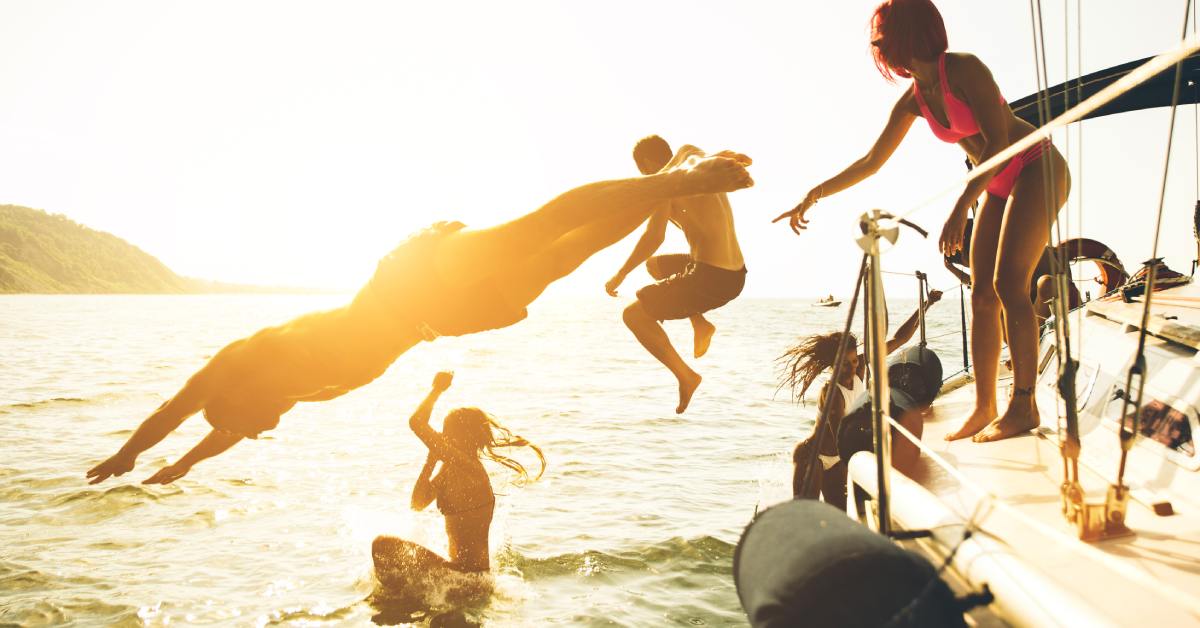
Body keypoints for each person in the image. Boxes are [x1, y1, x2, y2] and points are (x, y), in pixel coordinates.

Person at [86, 151, 753, 485]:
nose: (260, 435)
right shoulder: (281, 397)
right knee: (568, 254)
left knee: (541, 228)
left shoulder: (253, 358)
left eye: (249, 426)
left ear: (241, 399)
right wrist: (182, 470)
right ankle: (673, 172)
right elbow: (224, 431)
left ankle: (675, 183)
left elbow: (185, 404)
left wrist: (130, 452)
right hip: (444, 316)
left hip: (412, 281)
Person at [774, 0, 1071, 443]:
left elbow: (1000, 142)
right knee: (982, 295)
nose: (880, 50)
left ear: (902, 37)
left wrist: (960, 205)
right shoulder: (915, 100)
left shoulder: (965, 70)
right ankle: (985, 405)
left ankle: (1024, 405)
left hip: (1034, 166)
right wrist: (813, 194)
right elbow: (871, 161)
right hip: (994, 183)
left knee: (1011, 285)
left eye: (883, 39)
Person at [605, 137, 748, 414]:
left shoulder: (665, 187)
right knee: (656, 266)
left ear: (646, 166)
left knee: (633, 316)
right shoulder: (691, 155)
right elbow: (704, 159)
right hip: (737, 273)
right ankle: (700, 323)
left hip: (710, 277)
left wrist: (620, 275)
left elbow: (654, 237)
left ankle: (686, 376)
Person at [371, 371, 544, 598]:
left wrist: (437, 390)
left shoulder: (471, 468)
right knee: (385, 549)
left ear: (463, 436)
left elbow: (416, 423)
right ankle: (398, 600)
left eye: (447, 432)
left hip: (469, 579)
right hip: (461, 577)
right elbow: (418, 502)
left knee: (382, 545)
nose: (442, 437)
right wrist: (430, 461)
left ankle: (395, 602)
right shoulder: (450, 470)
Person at [781, 291, 941, 509]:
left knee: (838, 517)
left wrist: (926, 304)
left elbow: (900, 339)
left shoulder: (860, 369)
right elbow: (843, 436)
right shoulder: (831, 392)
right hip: (814, 457)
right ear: (832, 365)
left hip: (839, 458)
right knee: (807, 515)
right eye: (844, 364)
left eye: (854, 361)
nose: (852, 368)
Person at [943, 218, 1079, 326]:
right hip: (1063, 300)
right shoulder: (1014, 239)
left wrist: (952, 269)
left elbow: (979, 285)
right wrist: (952, 269)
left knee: (995, 305)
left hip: (1050, 307)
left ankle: (1022, 350)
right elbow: (977, 281)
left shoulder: (997, 258)